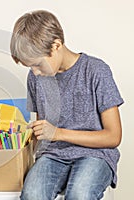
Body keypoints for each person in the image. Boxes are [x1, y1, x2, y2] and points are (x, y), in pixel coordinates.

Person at [10, 10, 124, 200]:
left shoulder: (96, 71)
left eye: (38, 64)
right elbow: (42, 130)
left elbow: (113, 136)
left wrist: (57, 133)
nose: (35, 72)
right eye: (30, 67)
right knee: (32, 195)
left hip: (95, 154)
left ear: (56, 45)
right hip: (53, 155)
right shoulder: (35, 78)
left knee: (79, 194)